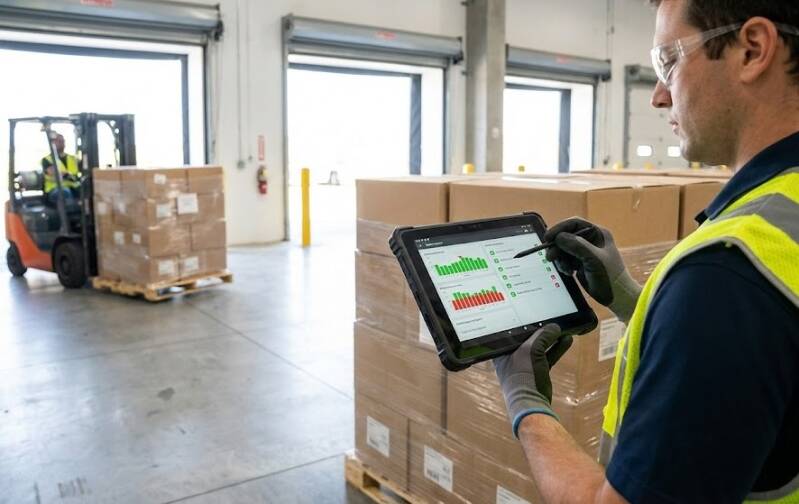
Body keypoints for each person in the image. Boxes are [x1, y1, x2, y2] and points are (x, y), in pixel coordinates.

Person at [493, 1, 799, 502]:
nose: (658, 96)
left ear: (753, 49)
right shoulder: (778, 221)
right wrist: (633, 299)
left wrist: (524, 402)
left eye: (668, 62)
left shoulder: (728, 273)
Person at [42, 133, 82, 205]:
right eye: (59, 141)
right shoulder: (47, 160)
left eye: (63, 141)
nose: (62, 143)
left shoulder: (72, 158)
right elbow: (53, 172)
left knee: (87, 189)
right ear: (53, 143)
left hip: (72, 186)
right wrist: (67, 175)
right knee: (64, 193)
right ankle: (69, 215)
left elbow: (83, 170)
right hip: (54, 189)